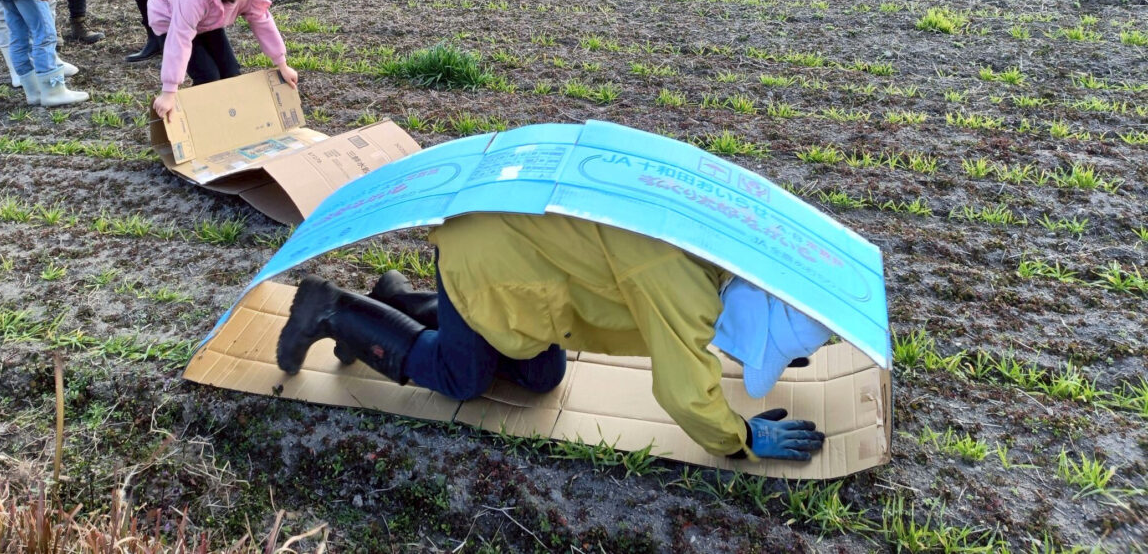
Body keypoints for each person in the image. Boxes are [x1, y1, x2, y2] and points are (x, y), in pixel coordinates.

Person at [277, 211, 830, 463]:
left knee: (542, 375)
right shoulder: (685, 287)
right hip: (490, 262)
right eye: (753, 349)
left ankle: (393, 300)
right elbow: (684, 389)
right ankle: (332, 310)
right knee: (461, 377)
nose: (737, 355)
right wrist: (740, 438)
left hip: (528, 263)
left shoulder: (715, 247)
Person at [146, 0, 299, 119]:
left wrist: (281, 64)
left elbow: (262, 22)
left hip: (209, 20)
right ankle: (198, 122)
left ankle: (227, 119)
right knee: (208, 76)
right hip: (170, 19)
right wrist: (169, 92)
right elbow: (179, 40)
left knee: (231, 71)